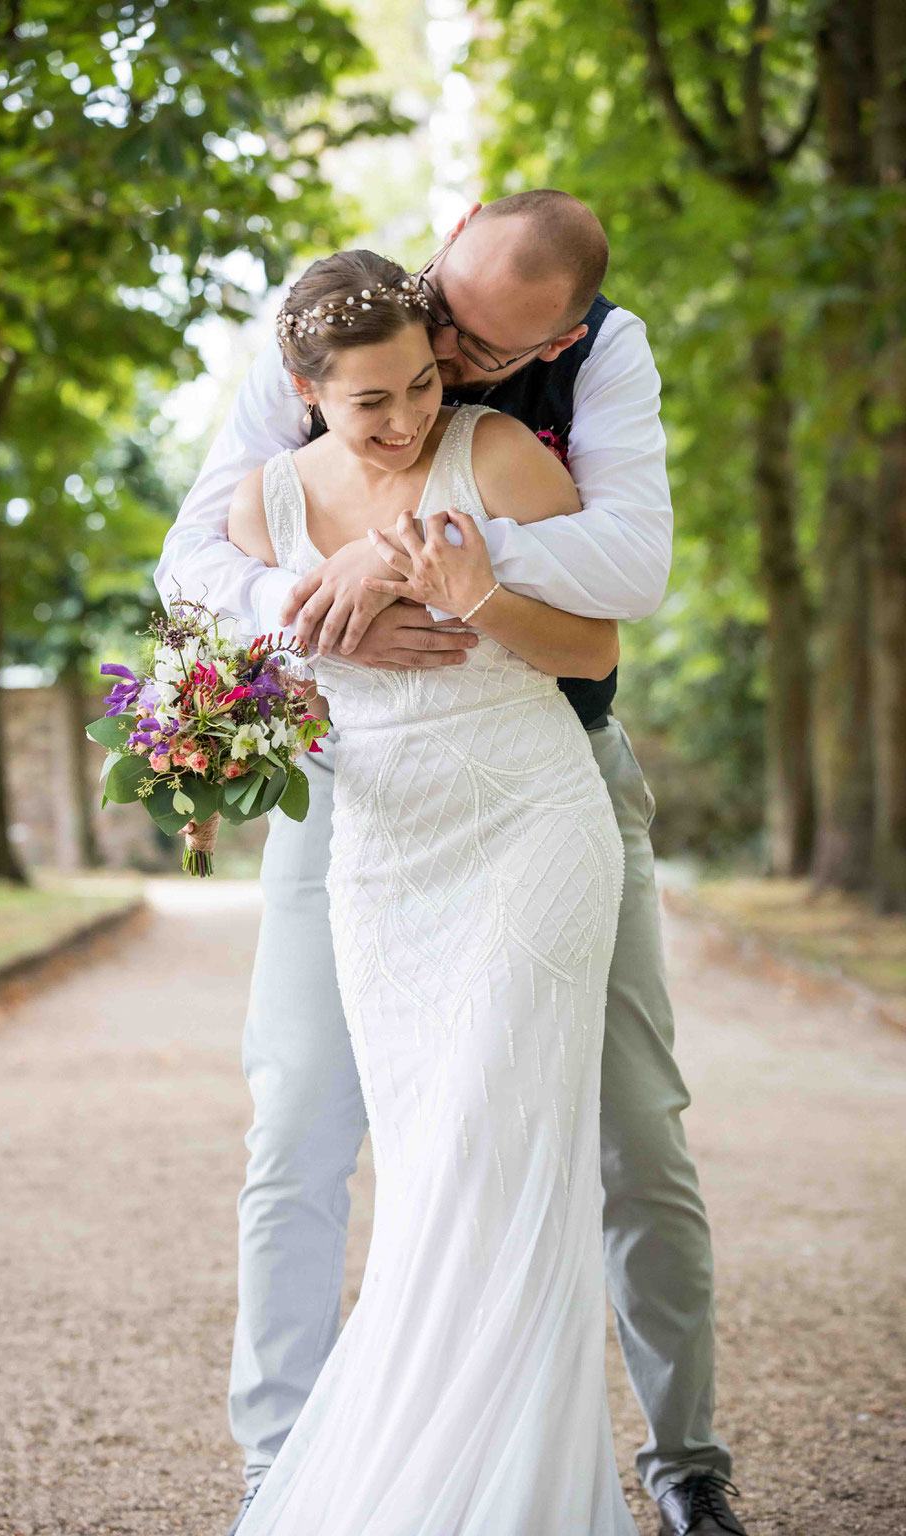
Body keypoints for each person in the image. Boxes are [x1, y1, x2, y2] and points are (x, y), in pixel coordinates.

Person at [155, 192, 746, 1536]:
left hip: (545, 781)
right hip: (356, 803)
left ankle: (685, 1459)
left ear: (567, 329)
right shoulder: (334, 325)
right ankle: (289, 1457)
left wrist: (416, 556)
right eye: (441, 326)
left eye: (470, 359)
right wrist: (308, 604)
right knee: (299, 1117)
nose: (445, 372)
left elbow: (631, 569)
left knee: (634, 1128)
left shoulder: (596, 364)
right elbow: (194, 556)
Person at [227, 246, 632, 1533]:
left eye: (417, 386)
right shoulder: (264, 513)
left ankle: (518, 1495)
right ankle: (405, 1481)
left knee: (497, 1153)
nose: (405, 422)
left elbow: (599, 643)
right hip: (385, 861)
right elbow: (256, 681)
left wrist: (483, 595)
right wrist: (293, 650)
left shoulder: (498, 456)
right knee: (422, 1165)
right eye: (369, 404)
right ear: (304, 391)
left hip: (530, 829)